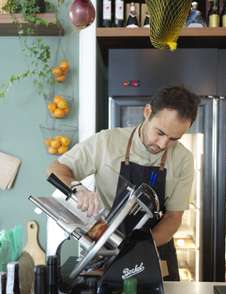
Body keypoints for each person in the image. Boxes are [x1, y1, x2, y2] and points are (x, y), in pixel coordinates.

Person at [48, 86, 200, 280]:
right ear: (147, 112)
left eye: (174, 139)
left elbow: (174, 217)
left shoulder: (183, 159)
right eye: (159, 133)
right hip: (105, 246)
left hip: (153, 248)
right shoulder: (106, 142)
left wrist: (139, 248)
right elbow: (56, 169)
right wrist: (77, 188)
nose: (162, 145)